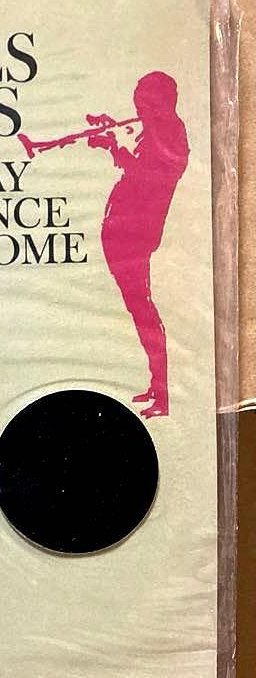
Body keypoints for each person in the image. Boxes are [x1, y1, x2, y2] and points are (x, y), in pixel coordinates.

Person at [88, 71, 189, 419]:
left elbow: (146, 177)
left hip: (134, 237)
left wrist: (113, 146)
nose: (139, 112)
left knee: (143, 312)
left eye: (144, 106)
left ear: (160, 103)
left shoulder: (169, 135)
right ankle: (157, 387)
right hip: (124, 234)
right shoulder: (160, 131)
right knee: (140, 311)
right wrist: (113, 135)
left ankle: (163, 394)